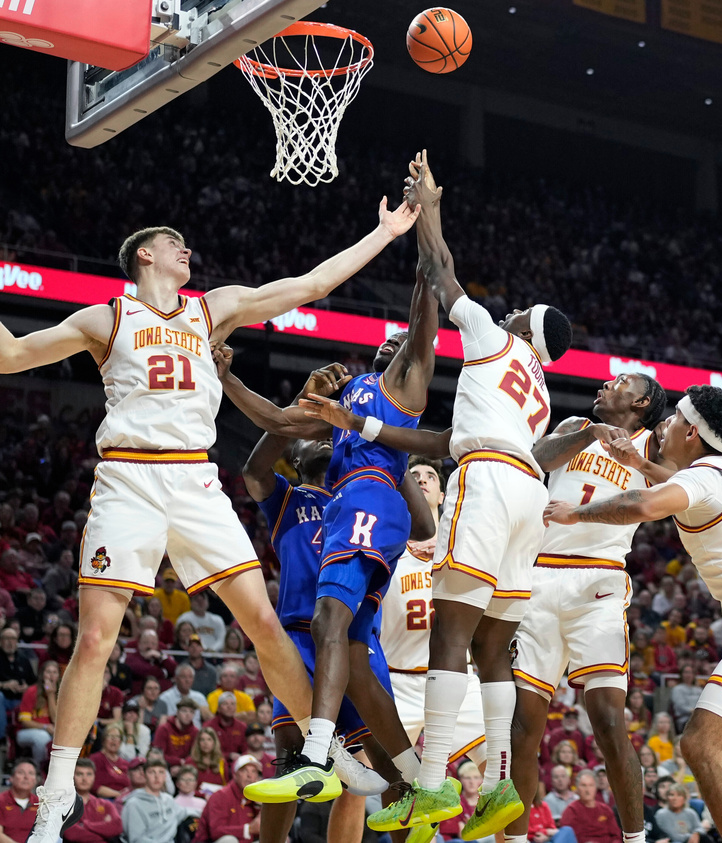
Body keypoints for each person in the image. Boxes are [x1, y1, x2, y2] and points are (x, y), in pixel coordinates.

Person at [4, 203, 420, 843]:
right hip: (130, 478)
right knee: (96, 640)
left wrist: (384, 233)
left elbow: (308, 286)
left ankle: (321, 748)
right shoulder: (105, 318)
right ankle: (56, 795)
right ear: (145, 254)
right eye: (176, 245)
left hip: (197, 479)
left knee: (262, 621)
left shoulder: (212, 307)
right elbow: (11, 354)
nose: (187, 252)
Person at [314, 151, 572, 838]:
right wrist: (369, 424)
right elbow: (441, 441)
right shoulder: (539, 394)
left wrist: (428, 205)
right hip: (527, 493)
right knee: (495, 649)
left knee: (452, 636)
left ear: (524, 329)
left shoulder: (491, 335)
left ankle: (430, 784)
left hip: (487, 482)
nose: (508, 309)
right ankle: (496, 786)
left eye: (518, 311)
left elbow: (440, 270)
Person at [215, 180, 440, 809]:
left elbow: (427, 303)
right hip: (351, 505)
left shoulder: (406, 389)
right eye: (387, 342)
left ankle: (317, 759)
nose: (393, 344)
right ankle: (421, 786)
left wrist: (424, 224)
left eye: (405, 345)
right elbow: (281, 426)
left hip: (368, 499)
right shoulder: (351, 399)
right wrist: (226, 376)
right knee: (356, 660)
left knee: (327, 621)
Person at [543, 386, 722, 843]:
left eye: (674, 419)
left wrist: (575, 515)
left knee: (701, 743)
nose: (665, 425)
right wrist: (640, 465)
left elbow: (641, 504)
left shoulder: (701, 478)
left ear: (693, 433)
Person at [224, 355, 435, 842]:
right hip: (299, 638)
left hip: (358, 642)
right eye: (303, 442)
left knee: (382, 757)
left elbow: (424, 527)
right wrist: (303, 405)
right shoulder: (287, 500)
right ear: (297, 457)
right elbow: (255, 467)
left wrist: (382, 444)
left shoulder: (367, 482)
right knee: (291, 755)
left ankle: (411, 821)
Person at [504, 369, 667, 843]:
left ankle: (636, 838)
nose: (606, 386)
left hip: (599, 579)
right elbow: (535, 458)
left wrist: (638, 460)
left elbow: (678, 487)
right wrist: (590, 433)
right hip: (539, 576)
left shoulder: (655, 445)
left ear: (642, 403)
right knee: (523, 727)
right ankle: (515, 839)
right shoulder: (576, 425)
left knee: (609, 720)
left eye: (620, 384)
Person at [379, 457, 488, 766]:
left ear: (442, 495)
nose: (423, 480)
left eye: (430, 476)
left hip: (456, 674)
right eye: (414, 477)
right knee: (373, 781)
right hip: (398, 678)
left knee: (497, 768)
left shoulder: (461, 544)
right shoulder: (386, 548)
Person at [194, 755, 262, 843]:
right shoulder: (221, 796)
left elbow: (260, 831)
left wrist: (260, 808)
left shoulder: (255, 800)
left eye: (253, 771)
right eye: (244, 770)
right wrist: (247, 829)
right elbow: (216, 831)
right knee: (229, 840)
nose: (249, 775)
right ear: (235, 774)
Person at [121, 758, 190, 843]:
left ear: (165, 776)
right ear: (145, 775)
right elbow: (137, 839)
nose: (157, 777)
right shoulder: (133, 804)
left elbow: (185, 812)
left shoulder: (168, 800)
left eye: (161, 772)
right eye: (152, 772)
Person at [61, 760, 124, 843]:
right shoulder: (64, 805)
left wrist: (85, 825)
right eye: (79, 774)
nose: (84, 779)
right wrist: (104, 831)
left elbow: (117, 826)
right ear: (72, 777)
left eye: (89, 774)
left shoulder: (106, 804)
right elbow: (72, 834)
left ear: (94, 777)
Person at [16, 660, 59, 767]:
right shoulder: (31, 691)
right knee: (42, 737)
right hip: (27, 732)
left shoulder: (61, 694)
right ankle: (39, 768)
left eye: (54, 672)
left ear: (59, 676)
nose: (51, 676)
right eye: (48, 672)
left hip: (53, 732)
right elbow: (25, 722)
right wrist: (44, 727)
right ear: (42, 674)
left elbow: (55, 720)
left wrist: (50, 696)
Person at [560, 771, 621, 843]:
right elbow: (567, 838)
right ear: (576, 788)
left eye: (591, 785)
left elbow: (616, 836)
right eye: (583, 785)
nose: (587, 790)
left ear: (596, 787)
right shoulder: (571, 810)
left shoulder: (605, 809)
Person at [152, 698, 199, 772]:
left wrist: (182, 767)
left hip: (186, 769)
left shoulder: (195, 732)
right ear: (177, 712)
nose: (188, 715)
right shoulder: (164, 729)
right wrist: (179, 761)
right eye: (184, 711)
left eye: (191, 712)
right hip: (164, 767)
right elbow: (157, 755)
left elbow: (195, 756)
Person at [0, 760, 40, 843]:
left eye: (31, 773)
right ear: (11, 778)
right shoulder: (1, 800)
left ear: (35, 780)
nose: (26, 777)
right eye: (21, 772)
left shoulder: (40, 803)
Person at [0, 626, 36, 716]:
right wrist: (4, 685)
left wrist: (26, 687)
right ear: (0, 641)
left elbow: (33, 681)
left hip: (21, 698)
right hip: (3, 698)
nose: (10, 642)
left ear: (17, 641)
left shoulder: (23, 658)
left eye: (13, 638)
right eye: (6, 638)